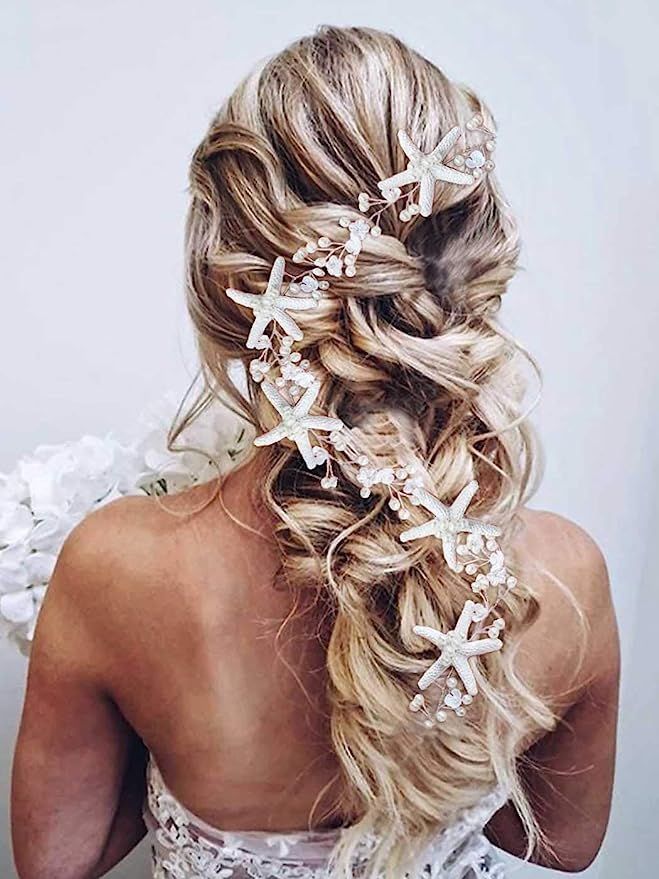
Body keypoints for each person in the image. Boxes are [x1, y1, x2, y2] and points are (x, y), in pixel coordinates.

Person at [11, 26, 619, 879]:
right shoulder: (565, 577)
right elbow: (556, 842)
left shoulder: (115, 569)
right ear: (470, 253)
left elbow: (56, 862)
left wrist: (149, 735)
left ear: (222, 281)